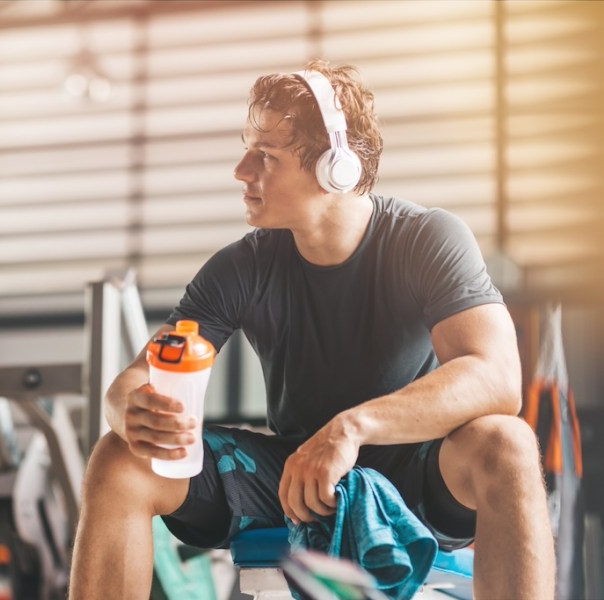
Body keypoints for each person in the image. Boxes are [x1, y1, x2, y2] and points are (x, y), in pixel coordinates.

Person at [68, 59, 554, 599]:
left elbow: (497, 378)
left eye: (266, 157)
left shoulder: (427, 238)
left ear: (334, 169)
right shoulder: (242, 266)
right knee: (118, 460)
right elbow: (141, 375)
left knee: (507, 442)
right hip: (291, 479)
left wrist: (350, 428)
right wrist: (130, 409)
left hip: (414, 471)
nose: (241, 171)